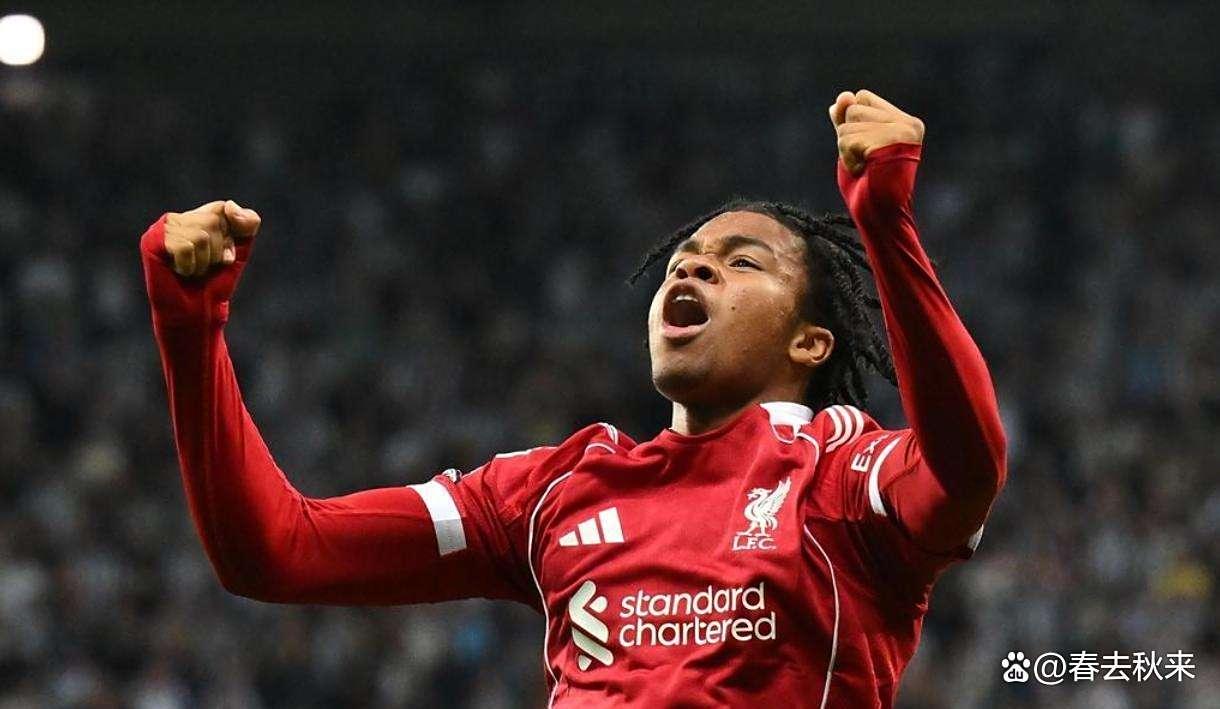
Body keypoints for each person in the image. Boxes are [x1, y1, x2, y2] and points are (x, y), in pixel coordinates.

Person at [140, 89, 1006, 708]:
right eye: (683, 262)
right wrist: (191, 325)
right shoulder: (553, 490)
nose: (694, 269)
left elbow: (965, 468)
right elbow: (276, 551)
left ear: (810, 342)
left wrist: (885, 225)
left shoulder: (841, 471)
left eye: (741, 262)